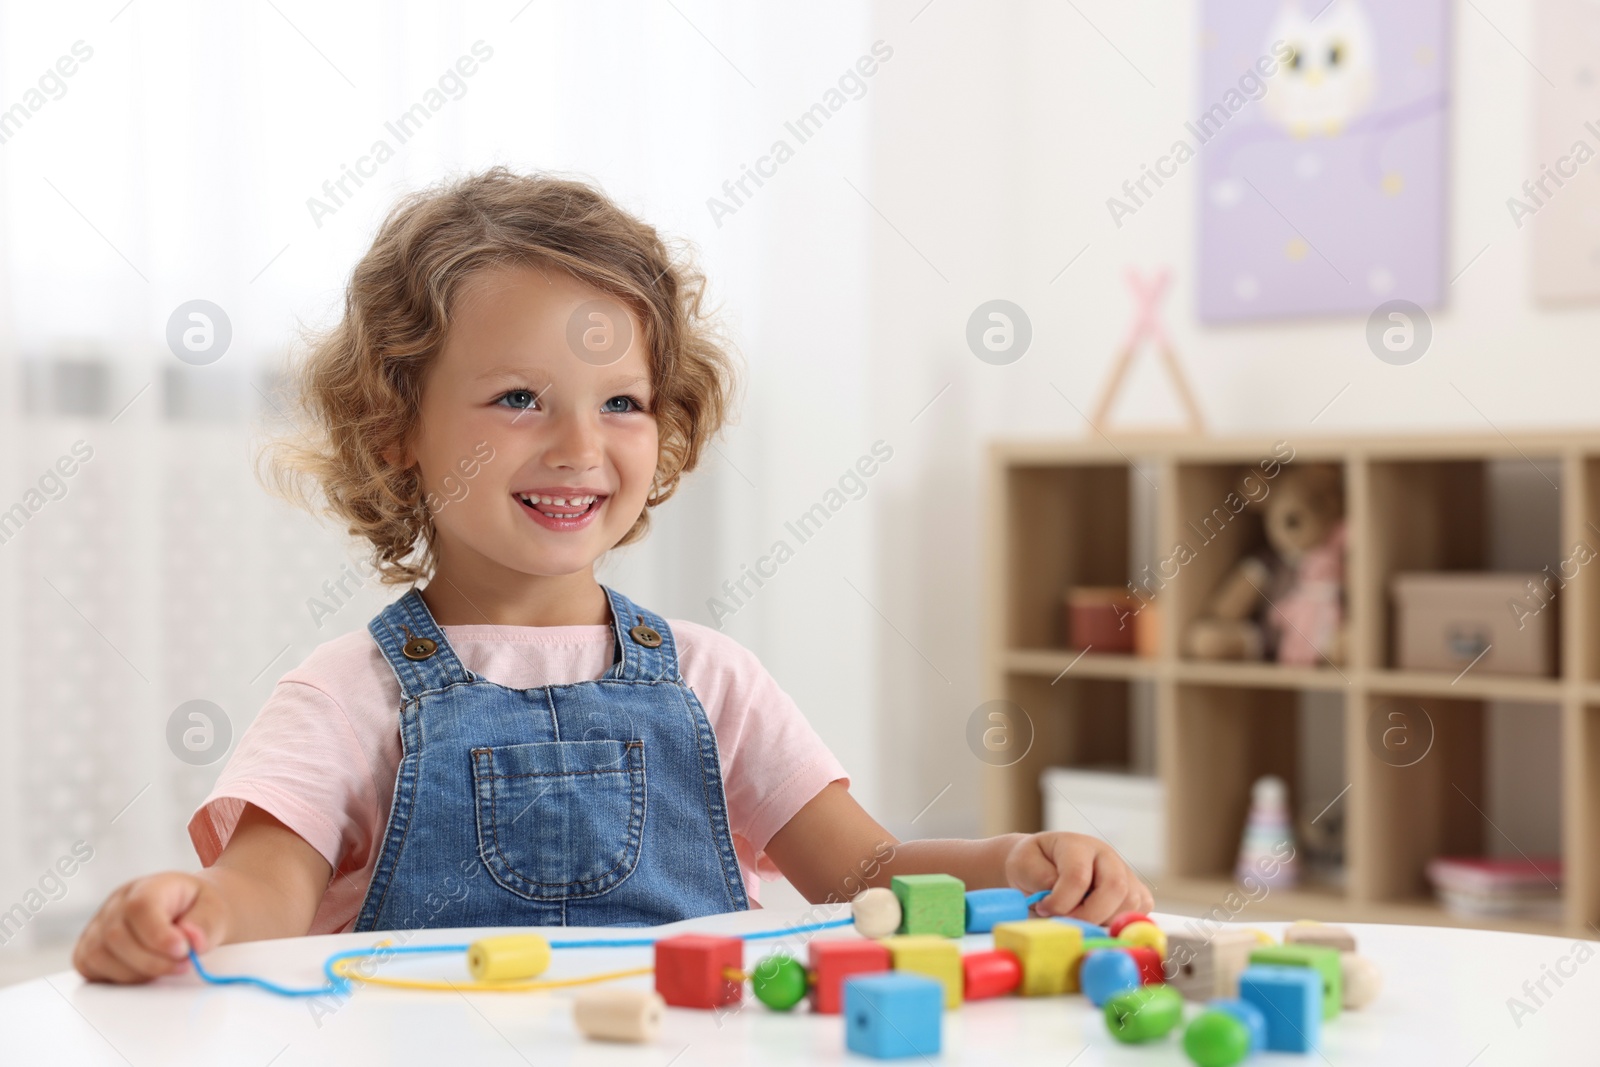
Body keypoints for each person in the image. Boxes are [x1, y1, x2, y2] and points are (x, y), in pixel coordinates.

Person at [73, 167, 1152, 983]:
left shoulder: (711, 679)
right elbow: (268, 884)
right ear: (395, 426)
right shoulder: (348, 693)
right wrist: (192, 914)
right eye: (517, 399)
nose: (579, 445)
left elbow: (863, 875)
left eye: (621, 402)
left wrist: (1015, 855)